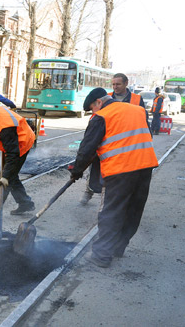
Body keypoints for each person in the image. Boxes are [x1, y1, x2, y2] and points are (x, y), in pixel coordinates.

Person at [69, 87, 158, 268]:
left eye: (92, 109)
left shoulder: (102, 116)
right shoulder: (138, 110)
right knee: (133, 209)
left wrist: (77, 171)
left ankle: (101, 255)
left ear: (99, 103)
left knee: (110, 212)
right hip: (145, 166)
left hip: (120, 171)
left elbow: (87, 148)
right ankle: (118, 248)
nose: (92, 113)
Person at [80, 73, 150, 206]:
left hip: (126, 143)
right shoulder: (106, 98)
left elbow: (142, 121)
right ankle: (89, 191)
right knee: (96, 168)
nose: (115, 87)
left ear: (125, 84)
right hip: (107, 140)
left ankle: (109, 204)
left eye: (118, 84)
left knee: (114, 176)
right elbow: (97, 119)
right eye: (113, 84)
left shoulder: (136, 99)